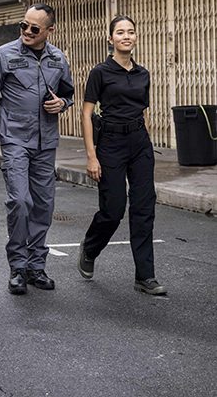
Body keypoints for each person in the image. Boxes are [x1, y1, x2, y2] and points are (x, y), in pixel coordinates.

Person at [0, 3, 75, 295]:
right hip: (15, 140)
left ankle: (36, 267)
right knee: (20, 202)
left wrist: (62, 103)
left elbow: (68, 93)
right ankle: (18, 267)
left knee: (44, 206)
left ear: (49, 31)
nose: (27, 31)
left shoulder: (58, 58)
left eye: (34, 28)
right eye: (24, 25)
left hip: (46, 142)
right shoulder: (4, 55)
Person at [78, 16, 166, 295]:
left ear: (136, 37)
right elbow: (86, 114)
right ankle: (90, 249)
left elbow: (143, 111)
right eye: (120, 32)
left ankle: (145, 276)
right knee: (113, 210)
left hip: (139, 144)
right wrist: (91, 156)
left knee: (144, 209)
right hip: (111, 144)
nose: (126, 36)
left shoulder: (143, 74)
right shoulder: (100, 72)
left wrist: (146, 143)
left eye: (130, 32)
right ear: (110, 38)